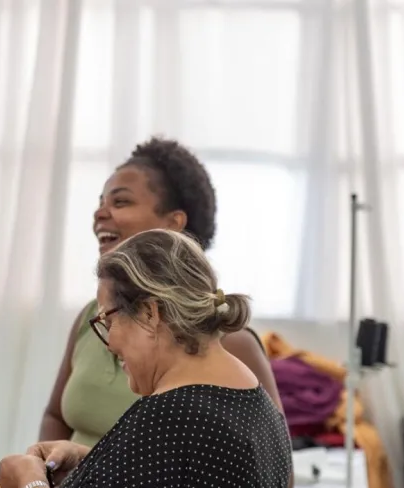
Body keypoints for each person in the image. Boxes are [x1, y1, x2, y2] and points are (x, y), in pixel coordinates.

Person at [0, 229, 293, 488]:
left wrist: (28, 483)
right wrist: (95, 464)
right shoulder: (257, 402)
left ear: (151, 313)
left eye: (109, 322)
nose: (109, 344)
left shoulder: (167, 417)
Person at [39, 136, 283, 446]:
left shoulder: (229, 342)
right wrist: (42, 475)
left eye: (120, 201)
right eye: (100, 202)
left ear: (173, 225)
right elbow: (55, 416)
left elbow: (273, 474)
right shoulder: (91, 318)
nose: (99, 213)